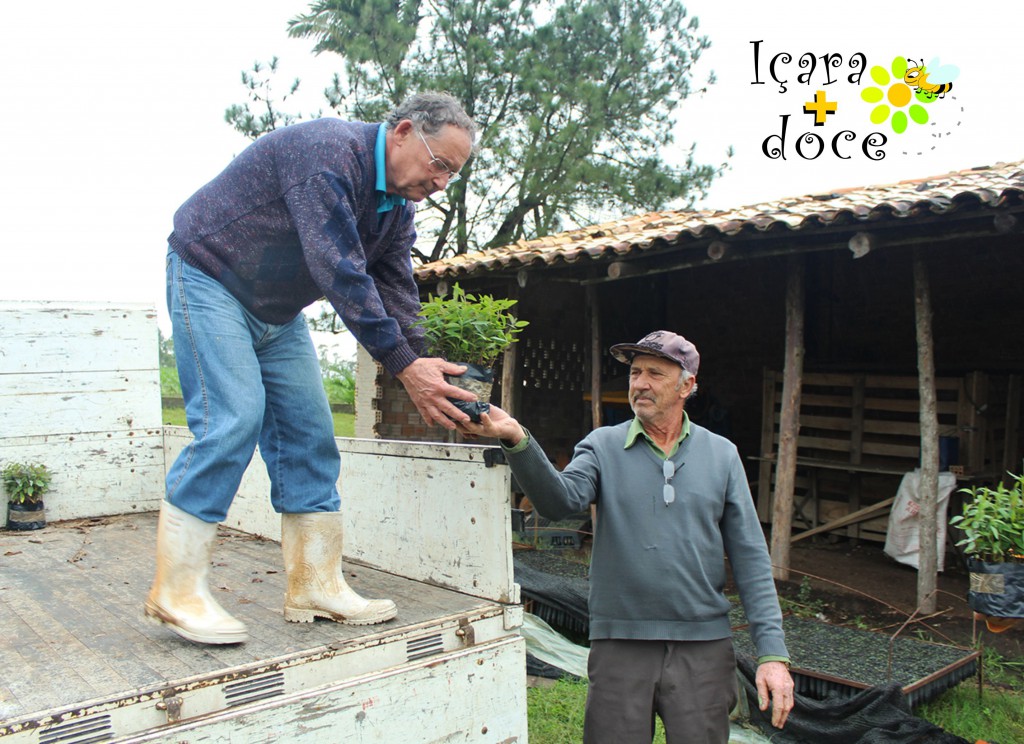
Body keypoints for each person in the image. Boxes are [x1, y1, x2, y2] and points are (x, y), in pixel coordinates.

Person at [146, 93, 479, 645]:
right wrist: (401, 365)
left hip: (275, 309)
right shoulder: (327, 153)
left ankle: (316, 584)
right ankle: (176, 590)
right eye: (439, 164)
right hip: (210, 277)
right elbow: (339, 270)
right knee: (234, 418)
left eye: (453, 173)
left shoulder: (397, 207)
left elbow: (392, 282)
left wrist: (420, 362)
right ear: (401, 133)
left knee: (310, 434)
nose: (442, 181)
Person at [461, 330, 795, 742]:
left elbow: (751, 558)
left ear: (687, 385)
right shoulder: (603, 446)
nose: (639, 383)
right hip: (620, 642)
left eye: (655, 373)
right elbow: (560, 502)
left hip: (702, 647)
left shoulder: (721, 454)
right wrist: (517, 439)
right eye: (636, 372)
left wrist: (772, 655)